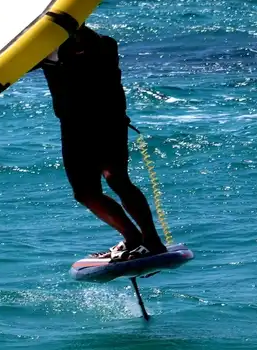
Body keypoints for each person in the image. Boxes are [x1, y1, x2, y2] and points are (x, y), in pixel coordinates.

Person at [41, 25, 166, 262]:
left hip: (107, 122)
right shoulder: (39, 48)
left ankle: (152, 241)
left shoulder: (97, 43)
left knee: (115, 177)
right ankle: (132, 238)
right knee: (85, 193)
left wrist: (74, 39)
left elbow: (102, 50)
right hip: (72, 126)